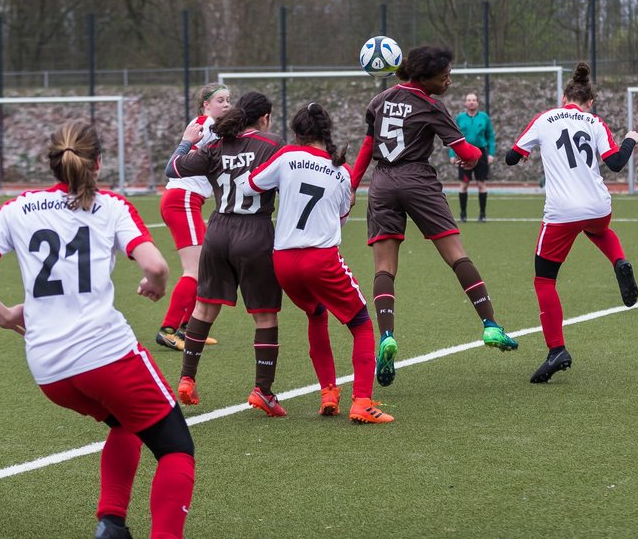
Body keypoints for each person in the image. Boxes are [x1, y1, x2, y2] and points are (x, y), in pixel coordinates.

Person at [0, 122, 193, 539]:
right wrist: (156, 285)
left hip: (48, 368)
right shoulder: (112, 206)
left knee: (124, 424)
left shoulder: (17, 208)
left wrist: (4, 316)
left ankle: (111, 523)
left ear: (53, 165)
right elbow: (155, 265)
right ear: (98, 162)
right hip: (106, 354)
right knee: (176, 449)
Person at [350, 44, 518, 389]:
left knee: (384, 268)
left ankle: (386, 336)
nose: (450, 82)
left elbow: (368, 148)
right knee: (457, 255)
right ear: (425, 78)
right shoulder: (431, 105)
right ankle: (490, 325)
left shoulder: (379, 101)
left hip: (381, 183)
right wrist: (471, 158)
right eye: (445, 77)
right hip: (417, 181)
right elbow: (466, 151)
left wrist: (352, 187)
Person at [248, 103, 392, 424]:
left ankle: (329, 392)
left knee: (316, 315)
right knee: (362, 325)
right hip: (320, 258)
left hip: (283, 260)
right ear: (327, 131)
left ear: (298, 133)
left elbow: (252, 184)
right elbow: (340, 220)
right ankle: (362, 402)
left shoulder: (286, 156)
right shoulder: (341, 172)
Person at [506, 62, 638, 384]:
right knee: (599, 230)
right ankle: (619, 260)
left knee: (544, 281)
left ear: (563, 96)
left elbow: (512, 157)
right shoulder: (595, 122)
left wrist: (524, 154)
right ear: (590, 102)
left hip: (562, 211)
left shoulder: (544, 119)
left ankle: (556, 350)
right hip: (598, 204)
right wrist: (631, 139)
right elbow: (616, 163)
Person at [165, 91, 286, 415]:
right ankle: (263, 391)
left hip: (218, 230)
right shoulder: (273, 144)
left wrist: (186, 141)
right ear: (264, 118)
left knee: (204, 309)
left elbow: (173, 169)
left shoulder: (215, 144)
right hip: (255, 232)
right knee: (265, 315)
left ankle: (187, 379)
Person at [155, 82, 231, 352]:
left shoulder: (212, 127)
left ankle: (187, 327)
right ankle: (168, 329)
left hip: (187, 202)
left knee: (207, 268)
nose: (226, 104)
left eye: (228, 100)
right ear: (206, 105)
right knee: (195, 270)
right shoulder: (205, 125)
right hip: (182, 200)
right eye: (220, 100)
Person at [452, 92, 495, 222]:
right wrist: (452, 154)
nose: (471, 102)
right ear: (465, 103)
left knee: (481, 184)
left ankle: (482, 214)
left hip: (481, 153)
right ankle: (463, 214)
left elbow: (490, 136)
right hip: (464, 153)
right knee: (464, 184)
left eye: (474, 100)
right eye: (469, 100)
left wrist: (491, 154)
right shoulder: (460, 118)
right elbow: (453, 137)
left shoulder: (484, 117)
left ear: (477, 103)